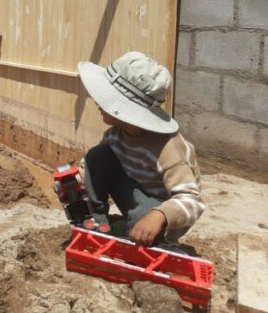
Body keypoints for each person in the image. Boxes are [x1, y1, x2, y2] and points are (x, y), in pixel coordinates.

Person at [78, 51, 204, 247]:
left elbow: (193, 202)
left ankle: (145, 235)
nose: (97, 101)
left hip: (162, 212)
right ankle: (98, 224)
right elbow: (95, 168)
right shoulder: (115, 135)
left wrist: (159, 215)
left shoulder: (168, 148)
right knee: (98, 156)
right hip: (137, 195)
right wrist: (75, 181)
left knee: (141, 217)